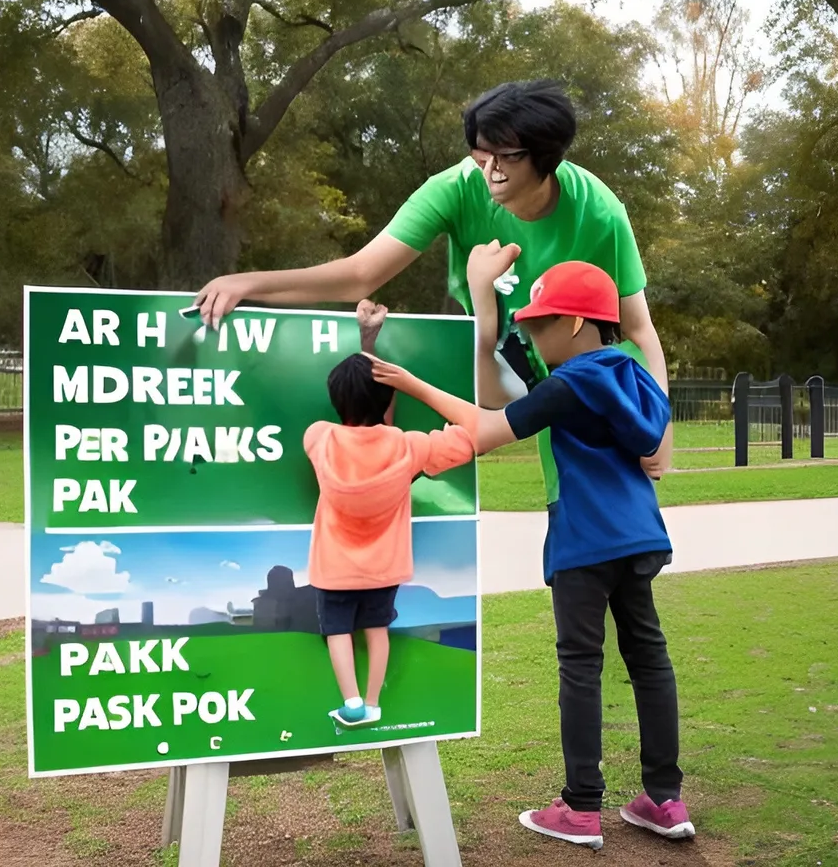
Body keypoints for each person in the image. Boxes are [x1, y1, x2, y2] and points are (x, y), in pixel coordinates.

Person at [368, 247, 693, 850]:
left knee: (581, 665)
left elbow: (488, 430)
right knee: (650, 659)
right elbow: (648, 452)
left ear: (573, 323)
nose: (534, 336)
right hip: (640, 535)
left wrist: (411, 383)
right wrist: (500, 318)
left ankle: (580, 807)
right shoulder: (629, 371)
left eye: (541, 325)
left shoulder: (573, 382)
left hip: (584, 539)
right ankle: (665, 800)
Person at [195, 79, 672, 480]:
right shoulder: (455, 188)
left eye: (505, 156)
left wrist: (661, 426)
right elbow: (361, 274)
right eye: (481, 155)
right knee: (562, 521)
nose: (490, 171)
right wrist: (248, 283)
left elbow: (638, 329)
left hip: (585, 374)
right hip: (497, 359)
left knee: (609, 517)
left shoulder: (600, 211)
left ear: (544, 158)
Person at [304, 300, 476, 727]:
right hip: (384, 570)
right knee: (377, 631)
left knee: (338, 633)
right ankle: (375, 702)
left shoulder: (319, 438)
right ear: (387, 400)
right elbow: (467, 435)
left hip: (333, 571)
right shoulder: (408, 447)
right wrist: (416, 386)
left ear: (334, 399)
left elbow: (372, 428)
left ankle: (352, 703)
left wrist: (367, 341)